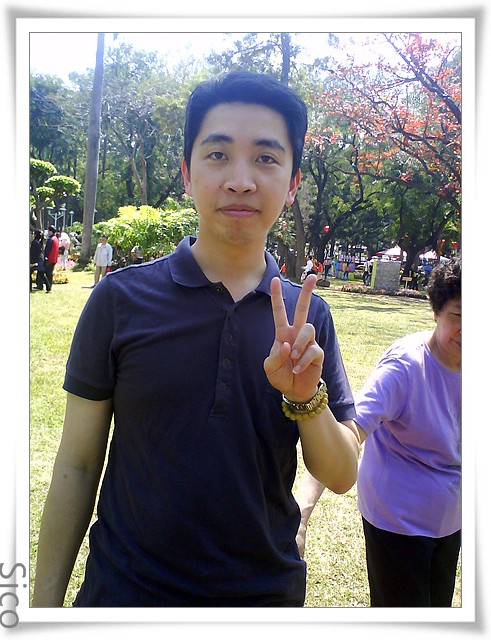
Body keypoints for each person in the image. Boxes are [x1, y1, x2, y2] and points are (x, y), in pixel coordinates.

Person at [32, 70, 360, 608]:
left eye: (266, 157)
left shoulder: (308, 319)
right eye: (218, 155)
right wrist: (41, 612)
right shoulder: (120, 300)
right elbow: (77, 465)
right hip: (125, 599)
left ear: (293, 183)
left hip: (262, 602)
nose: (240, 180)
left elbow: (342, 474)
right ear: (187, 173)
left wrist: (307, 400)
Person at [294, 255, 462, 607]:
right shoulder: (406, 367)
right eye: (458, 317)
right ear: (436, 312)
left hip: (450, 521)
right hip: (398, 524)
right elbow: (349, 433)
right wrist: (302, 513)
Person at [43, 226, 59, 293]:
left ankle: (48, 287)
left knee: (46, 273)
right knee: (50, 273)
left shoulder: (50, 239)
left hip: (49, 259)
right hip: (54, 259)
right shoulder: (56, 239)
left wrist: (45, 257)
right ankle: (49, 286)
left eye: (49, 231)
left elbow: (47, 250)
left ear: (51, 231)